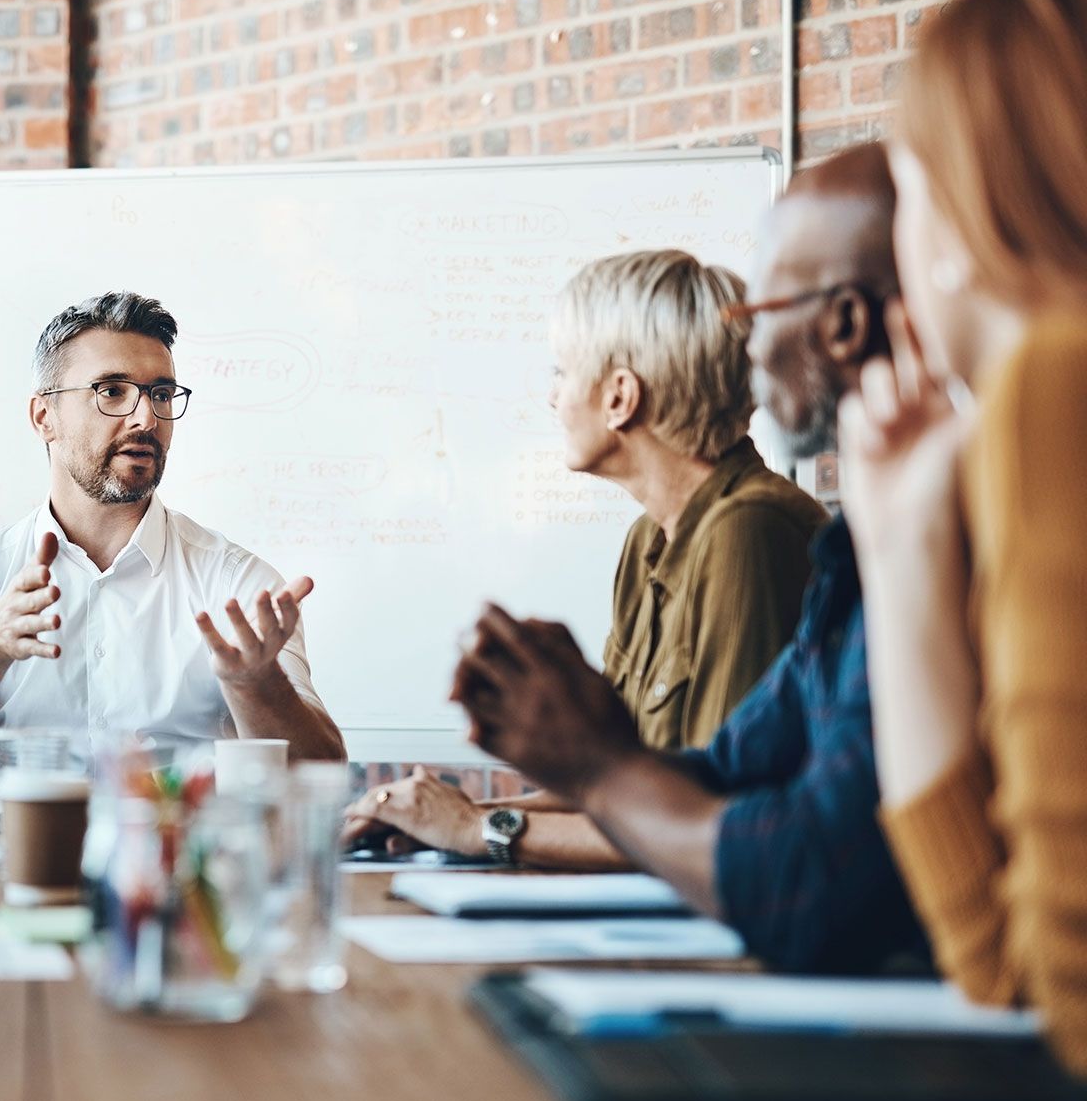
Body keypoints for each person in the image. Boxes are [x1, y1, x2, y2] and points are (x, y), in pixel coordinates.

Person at [439, 145, 928, 974]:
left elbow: (733, 826)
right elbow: (706, 768)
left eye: (761, 311)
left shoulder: (762, 532)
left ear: (621, 396)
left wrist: (492, 826)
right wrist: (486, 802)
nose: (749, 351)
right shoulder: (847, 546)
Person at [344, 251, 826, 856]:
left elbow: (707, 819)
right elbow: (618, 788)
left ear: (620, 397)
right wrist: (437, 817)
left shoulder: (748, 529)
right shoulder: (649, 539)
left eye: (562, 372)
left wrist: (477, 830)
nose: (552, 398)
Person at [840, 0, 1087, 1072]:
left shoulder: (1057, 383)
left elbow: (1044, 986)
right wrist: (898, 542)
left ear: (956, 209)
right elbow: (1003, 962)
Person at [0, 291, 345, 798]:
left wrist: (255, 686)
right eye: (111, 391)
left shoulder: (237, 587)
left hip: (180, 869)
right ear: (44, 416)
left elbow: (322, 779)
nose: (146, 419)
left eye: (160, 393)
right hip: (17, 868)